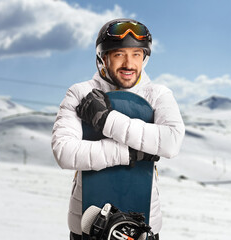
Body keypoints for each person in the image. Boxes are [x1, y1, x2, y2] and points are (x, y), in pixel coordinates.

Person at [51, 18, 185, 240]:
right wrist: (130, 153)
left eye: (136, 54)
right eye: (119, 54)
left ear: (144, 59)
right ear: (103, 58)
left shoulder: (158, 95)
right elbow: (64, 152)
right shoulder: (80, 93)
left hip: (144, 226)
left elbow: (171, 142)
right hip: (87, 225)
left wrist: (106, 120)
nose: (129, 64)